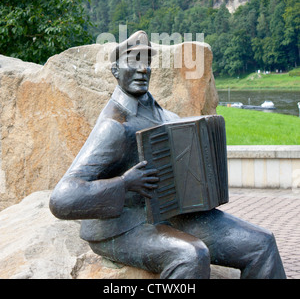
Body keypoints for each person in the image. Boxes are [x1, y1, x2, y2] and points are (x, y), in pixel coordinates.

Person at [49, 31, 286, 279]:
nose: (142, 69)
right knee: (191, 256)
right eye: (133, 61)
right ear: (116, 70)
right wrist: (125, 183)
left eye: (147, 63)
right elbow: (62, 199)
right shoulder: (114, 126)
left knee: (262, 244)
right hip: (123, 227)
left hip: (174, 214)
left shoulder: (165, 117)